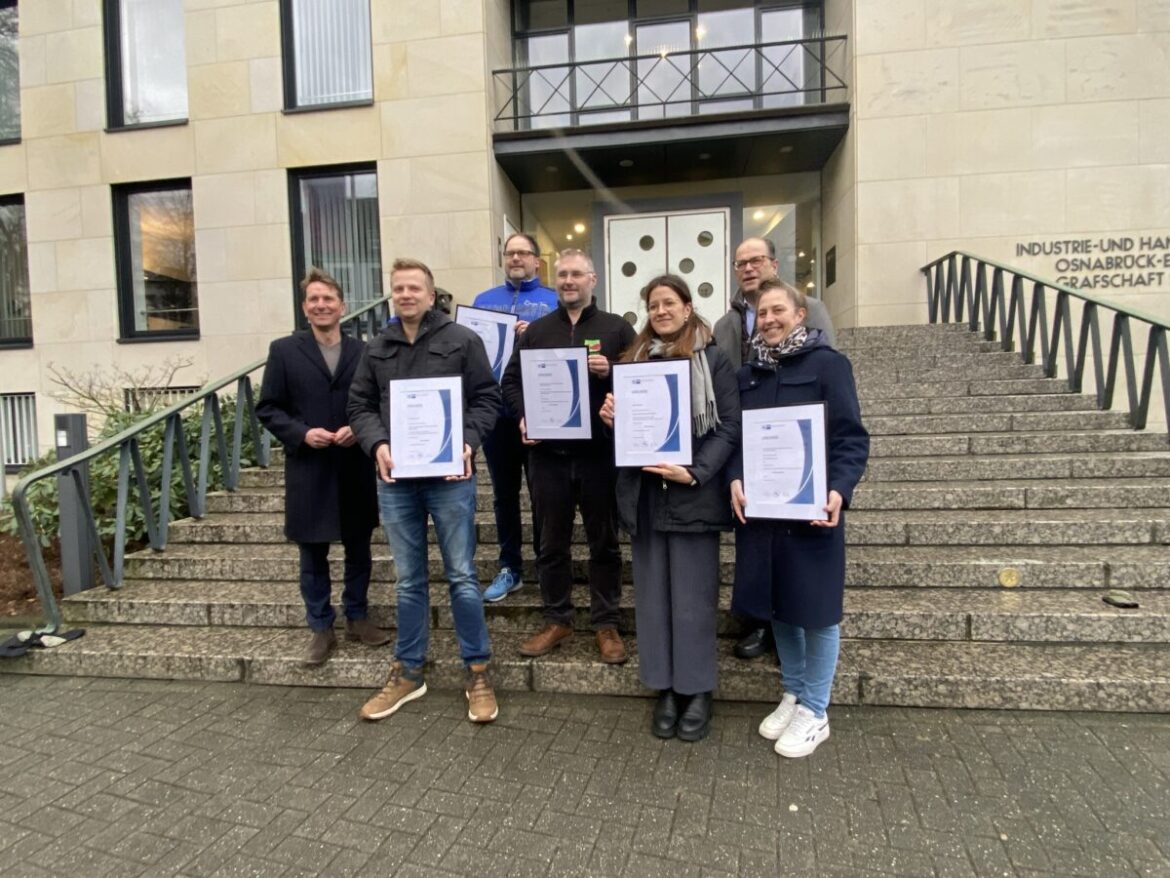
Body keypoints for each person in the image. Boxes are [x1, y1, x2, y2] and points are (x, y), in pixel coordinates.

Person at [347, 258, 502, 724]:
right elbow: (359, 404)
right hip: (397, 481)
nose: (406, 294)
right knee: (409, 581)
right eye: (399, 288)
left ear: (432, 296)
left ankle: (477, 671)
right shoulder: (376, 347)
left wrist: (467, 444)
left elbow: (487, 398)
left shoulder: (461, 340)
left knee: (462, 576)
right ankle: (409, 673)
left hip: (450, 480)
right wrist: (377, 444)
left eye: (415, 287)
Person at [728, 278, 869, 759]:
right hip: (764, 516)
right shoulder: (749, 376)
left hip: (813, 512)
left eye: (777, 311)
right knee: (778, 606)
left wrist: (839, 490)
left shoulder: (829, 366)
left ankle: (816, 709)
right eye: (761, 313)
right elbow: (737, 443)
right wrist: (735, 478)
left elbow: (852, 438)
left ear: (800, 314)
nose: (768, 319)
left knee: (817, 611)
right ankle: (792, 691)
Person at [599, 275, 740, 741]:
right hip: (643, 500)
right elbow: (624, 441)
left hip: (691, 496)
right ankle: (664, 686)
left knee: (693, 603)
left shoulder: (713, 360)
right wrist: (610, 421)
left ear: (686, 308)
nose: (661, 311)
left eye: (669, 303)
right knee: (654, 601)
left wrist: (696, 471)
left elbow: (728, 428)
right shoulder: (631, 365)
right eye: (653, 305)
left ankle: (696, 689)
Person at [501, 249, 636, 664]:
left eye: (577, 274)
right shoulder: (537, 331)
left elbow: (640, 382)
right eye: (562, 275)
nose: (568, 281)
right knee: (551, 542)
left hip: (599, 453)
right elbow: (510, 382)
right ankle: (557, 618)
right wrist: (524, 416)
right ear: (553, 280)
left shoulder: (618, 329)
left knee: (604, 542)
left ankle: (606, 622)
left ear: (593, 279)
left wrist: (610, 370)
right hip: (548, 457)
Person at [257, 267, 387, 666]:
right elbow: (268, 407)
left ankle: (358, 616)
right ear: (304, 308)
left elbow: (381, 400)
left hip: (353, 464)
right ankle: (320, 627)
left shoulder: (365, 351)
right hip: (309, 466)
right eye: (314, 299)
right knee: (311, 553)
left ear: (342, 306)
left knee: (358, 548)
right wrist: (301, 433)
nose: (321, 305)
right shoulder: (283, 351)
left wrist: (359, 428)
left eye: (328, 298)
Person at [714, 235, 836, 660]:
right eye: (740, 263)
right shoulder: (725, 324)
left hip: (797, 449)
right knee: (758, 548)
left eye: (755, 260)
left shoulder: (813, 311)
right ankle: (760, 622)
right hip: (754, 443)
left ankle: (793, 637)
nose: (748, 268)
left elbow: (825, 378)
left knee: (796, 558)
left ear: (772, 264)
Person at [471, 233, 558, 603]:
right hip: (497, 415)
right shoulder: (483, 302)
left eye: (524, 253)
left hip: (539, 412)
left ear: (537, 261)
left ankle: (546, 562)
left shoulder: (554, 300)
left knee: (543, 493)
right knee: (504, 495)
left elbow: (567, 351)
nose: (516, 258)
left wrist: (534, 334)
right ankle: (510, 566)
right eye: (510, 253)